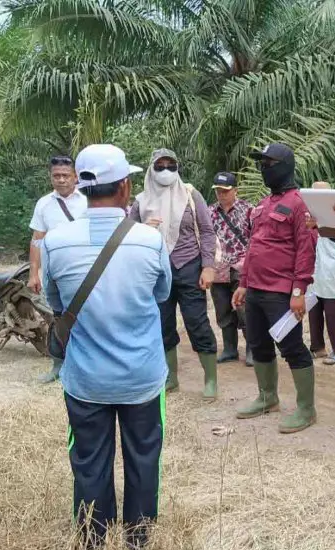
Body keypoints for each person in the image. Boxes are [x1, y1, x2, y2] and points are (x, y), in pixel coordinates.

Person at [41, 144, 170, 550]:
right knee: (144, 457)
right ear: (126, 187)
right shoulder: (150, 241)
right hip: (142, 379)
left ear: (80, 185)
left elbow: (56, 302)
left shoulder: (56, 243)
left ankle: (93, 544)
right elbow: (162, 293)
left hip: (85, 380)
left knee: (89, 459)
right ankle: (138, 542)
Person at [232, 143, 318, 434]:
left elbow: (306, 250)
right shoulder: (263, 204)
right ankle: (267, 397)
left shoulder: (299, 203)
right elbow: (254, 247)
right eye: (262, 164)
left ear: (284, 166)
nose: (264, 169)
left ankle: (306, 408)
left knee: (292, 347)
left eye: (269, 164)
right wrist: (243, 284)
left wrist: (298, 291)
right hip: (255, 288)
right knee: (257, 343)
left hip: (281, 290)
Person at [130, 149, 219, 399]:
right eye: (160, 166)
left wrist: (208, 266)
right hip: (156, 271)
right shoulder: (141, 201)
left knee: (197, 322)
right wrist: (142, 229)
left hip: (189, 266)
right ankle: (171, 378)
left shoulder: (191, 194)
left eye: (171, 165)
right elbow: (127, 234)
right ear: (151, 169)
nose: (166, 171)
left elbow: (207, 231)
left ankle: (210, 379)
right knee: (163, 325)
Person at [28, 154, 87, 384]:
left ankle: (82, 368)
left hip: (85, 271)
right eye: (56, 176)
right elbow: (36, 239)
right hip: (55, 273)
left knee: (85, 318)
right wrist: (34, 272)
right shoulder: (44, 203)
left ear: (75, 176)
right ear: (50, 177)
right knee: (57, 319)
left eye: (65, 175)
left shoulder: (87, 201)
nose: (61, 180)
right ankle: (57, 366)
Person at [209, 171, 254, 366]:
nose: (221, 194)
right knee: (222, 310)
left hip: (241, 266)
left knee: (244, 309)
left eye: (225, 191)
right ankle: (229, 349)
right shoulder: (210, 212)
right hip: (218, 267)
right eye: (218, 191)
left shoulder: (248, 210)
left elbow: (256, 238)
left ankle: (252, 349)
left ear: (235, 190)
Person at [307, 181, 335, 366]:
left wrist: (320, 225)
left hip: (332, 269)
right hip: (313, 270)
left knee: (332, 310)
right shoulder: (308, 216)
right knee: (313, 309)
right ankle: (317, 347)